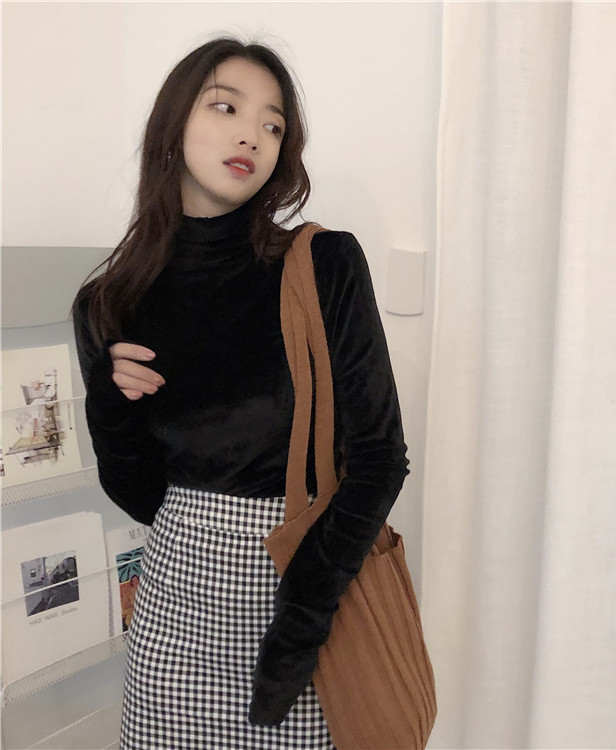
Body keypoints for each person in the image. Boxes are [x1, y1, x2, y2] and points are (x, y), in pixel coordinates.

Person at [72, 36, 409, 750]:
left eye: (272, 124)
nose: (251, 135)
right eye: (226, 107)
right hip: (173, 622)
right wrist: (107, 405)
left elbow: (379, 458)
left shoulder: (321, 264)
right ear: (173, 126)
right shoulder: (109, 303)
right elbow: (142, 496)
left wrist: (298, 630)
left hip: (305, 614)